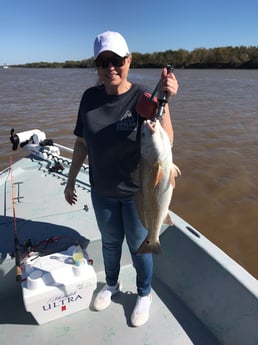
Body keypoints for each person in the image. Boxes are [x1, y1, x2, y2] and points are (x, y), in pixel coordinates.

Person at [64, 31, 179, 327]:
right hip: (101, 190)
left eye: (116, 59)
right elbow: (81, 143)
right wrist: (71, 179)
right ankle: (111, 284)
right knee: (111, 243)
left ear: (128, 60)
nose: (110, 67)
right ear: (96, 66)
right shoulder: (89, 98)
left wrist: (165, 100)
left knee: (140, 244)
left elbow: (165, 140)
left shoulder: (144, 97)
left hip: (137, 193)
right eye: (103, 62)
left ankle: (144, 293)